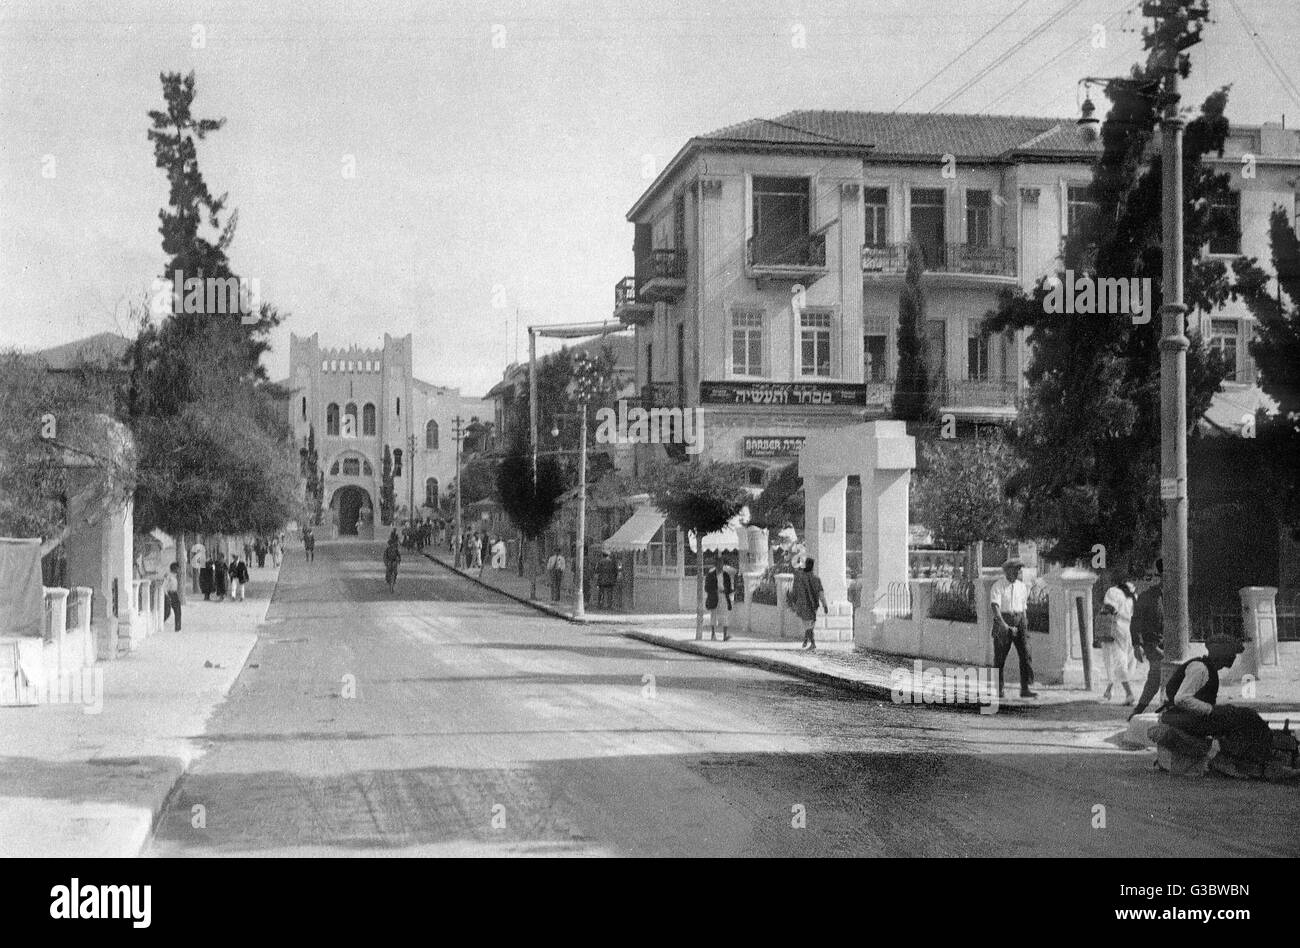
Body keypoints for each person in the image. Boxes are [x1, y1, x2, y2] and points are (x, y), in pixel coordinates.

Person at [990, 557, 1037, 698]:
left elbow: (1024, 608)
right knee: (1000, 658)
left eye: (1018, 569)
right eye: (1014, 569)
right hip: (1003, 621)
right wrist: (1004, 625)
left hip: (1019, 620)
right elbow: (995, 606)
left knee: (1025, 654)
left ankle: (1025, 688)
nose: (1017, 572)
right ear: (1007, 571)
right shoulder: (998, 586)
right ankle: (999, 689)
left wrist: (1024, 624)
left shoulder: (1022, 586)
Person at [1128, 559, 1164, 719]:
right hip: (1153, 645)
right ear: (1161, 576)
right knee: (1156, 676)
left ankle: (1160, 709)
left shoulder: (1179, 597)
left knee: (1164, 678)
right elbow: (1135, 621)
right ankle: (1139, 710)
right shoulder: (1147, 597)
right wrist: (1137, 645)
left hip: (1173, 645)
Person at [1098, 575, 1138, 705]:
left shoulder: (1113, 592)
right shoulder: (1133, 594)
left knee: (1117, 658)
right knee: (1127, 659)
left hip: (1116, 627)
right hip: (1130, 628)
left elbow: (1110, 608)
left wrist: (1102, 611)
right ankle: (1109, 690)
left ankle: (1129, 693)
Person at [789, 557, 828, 650]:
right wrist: (825, 605)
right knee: (810, 625)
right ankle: (808, 640)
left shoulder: (799, 578)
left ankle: (810, 642)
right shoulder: (816, 579)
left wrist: (793, 602)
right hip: (813, 605)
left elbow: (794, 592)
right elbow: (821, 593)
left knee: (807, 625)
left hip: (803, 604)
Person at [704, 556, 734, 641]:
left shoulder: (726, 575)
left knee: (725, 615)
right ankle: (713, 634)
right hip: (714, 596)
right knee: (713, 615)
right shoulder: (711, 575)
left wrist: (727, 591)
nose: (720, 566)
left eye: (721, 564)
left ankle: (725, 635)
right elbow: (706, 587)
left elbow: (729, 587)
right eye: (718, 564)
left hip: (723, 596)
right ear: (715, 565)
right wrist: (714, 590)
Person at [162, 562, 182, 631]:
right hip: (169, 594)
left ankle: (178, 628)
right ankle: (160, 623)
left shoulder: (174, 576)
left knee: (178, 611)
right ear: (174, 569)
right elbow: (164, 586)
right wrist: (167, 595)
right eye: (178, 568)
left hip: (174, 594)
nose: (179, 570)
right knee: (167, 612)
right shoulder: (168, 576)